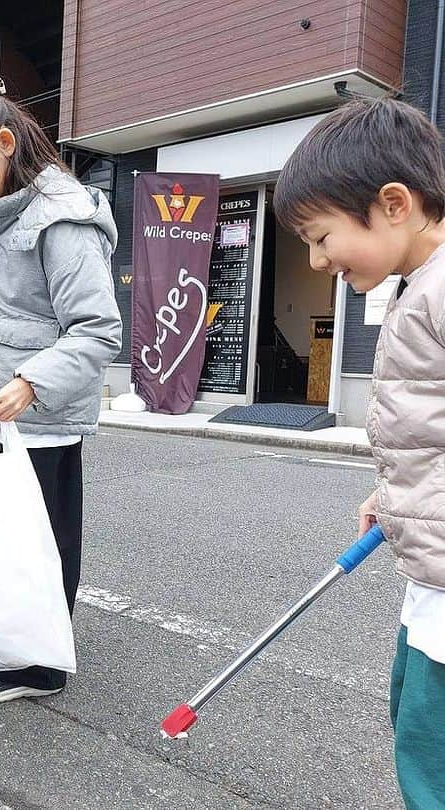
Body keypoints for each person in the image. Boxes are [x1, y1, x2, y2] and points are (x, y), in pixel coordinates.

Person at [0, 77, 121, 703]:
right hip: (2, 417)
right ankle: (19, 649)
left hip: (40, 417)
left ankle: (39, 666)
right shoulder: (1, 208)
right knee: (9, 541)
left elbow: (98, 329)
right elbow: (6, 282)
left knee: (42, 542)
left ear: (4, 142)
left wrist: (32, 383)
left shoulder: (61, 217)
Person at [273, 97, 445, 808]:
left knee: (430, 747)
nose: (317, 261)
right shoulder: (417, 287)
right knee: (413, 711)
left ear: (394, 204)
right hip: (431, 566)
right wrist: (398, 493)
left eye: (321, 237)